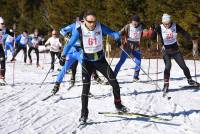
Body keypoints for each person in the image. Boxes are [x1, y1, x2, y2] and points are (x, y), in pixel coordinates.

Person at [60, 10, 128, 124]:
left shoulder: (100, 27)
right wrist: (63, 55)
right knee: (85, 90)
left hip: (100, 61)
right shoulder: (79, 30)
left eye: (94, 21)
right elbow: (70, 43)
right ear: (84, 21)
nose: (92, 24)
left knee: (115, 84)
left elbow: (114, 33)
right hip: (87, 62)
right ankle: (84, 115)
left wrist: (117, 39)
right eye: (90, 21)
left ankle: (118, 104)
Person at [52, 17, 103, 92]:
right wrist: (67, 35)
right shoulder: (73, 25)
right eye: (80, 21)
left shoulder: (87, 27)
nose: (81, 23)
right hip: (71, 51)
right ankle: (57, 85)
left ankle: (86, 89)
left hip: (80, 51)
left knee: (86, 68)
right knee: (65, 68)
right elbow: (62, 31)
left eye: (83, 21)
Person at [155, 13, 199, 92]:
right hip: (166, 50)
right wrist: (151, 35)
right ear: (163, 23)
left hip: (175, 50)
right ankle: (166, 84)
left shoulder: (175, 26)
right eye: (165, 24)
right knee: (168, 66)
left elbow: (184, 32)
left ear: (170, 21)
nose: (167, 25)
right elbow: (152, 36)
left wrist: (191, 38)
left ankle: (190, 80)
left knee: (184, 66)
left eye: (168, 23)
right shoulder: (160, 27)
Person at [114, 15, 147, 81]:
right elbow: (120, 33)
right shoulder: (128, 26)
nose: (134, 23)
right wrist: (117, 39)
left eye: (136, 22)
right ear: (131, 21)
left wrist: (148, 30)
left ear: (138, 22)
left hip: (136, 46)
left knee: (138, 61)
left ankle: (135, 76)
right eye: (133, 21)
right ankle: (113, 76)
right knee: (121, 61)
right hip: (127, 45)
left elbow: (147, 32)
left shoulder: (141, 26)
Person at [0, 17, 9, 85]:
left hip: (0, 47)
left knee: (3, 61)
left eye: (3, 24)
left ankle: (2, 78)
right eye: (2, 24)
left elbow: (10, 34)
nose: (3, 25)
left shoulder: (4, 30)